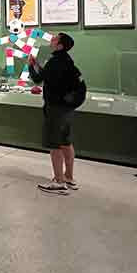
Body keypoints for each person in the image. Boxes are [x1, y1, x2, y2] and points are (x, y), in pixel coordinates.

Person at [29, 32, 82, 195]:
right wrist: (38, 64)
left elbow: (38, 79)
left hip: (55, 109)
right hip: (67, 109)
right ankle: (69, 177)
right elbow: (48, 76)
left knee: (54, 144)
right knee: (66, 142)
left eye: (55, 39)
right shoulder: (67, 61)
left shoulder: (54, 62)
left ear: (60, 45)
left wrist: (31, 66)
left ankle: (59, 182)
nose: (51, 40)